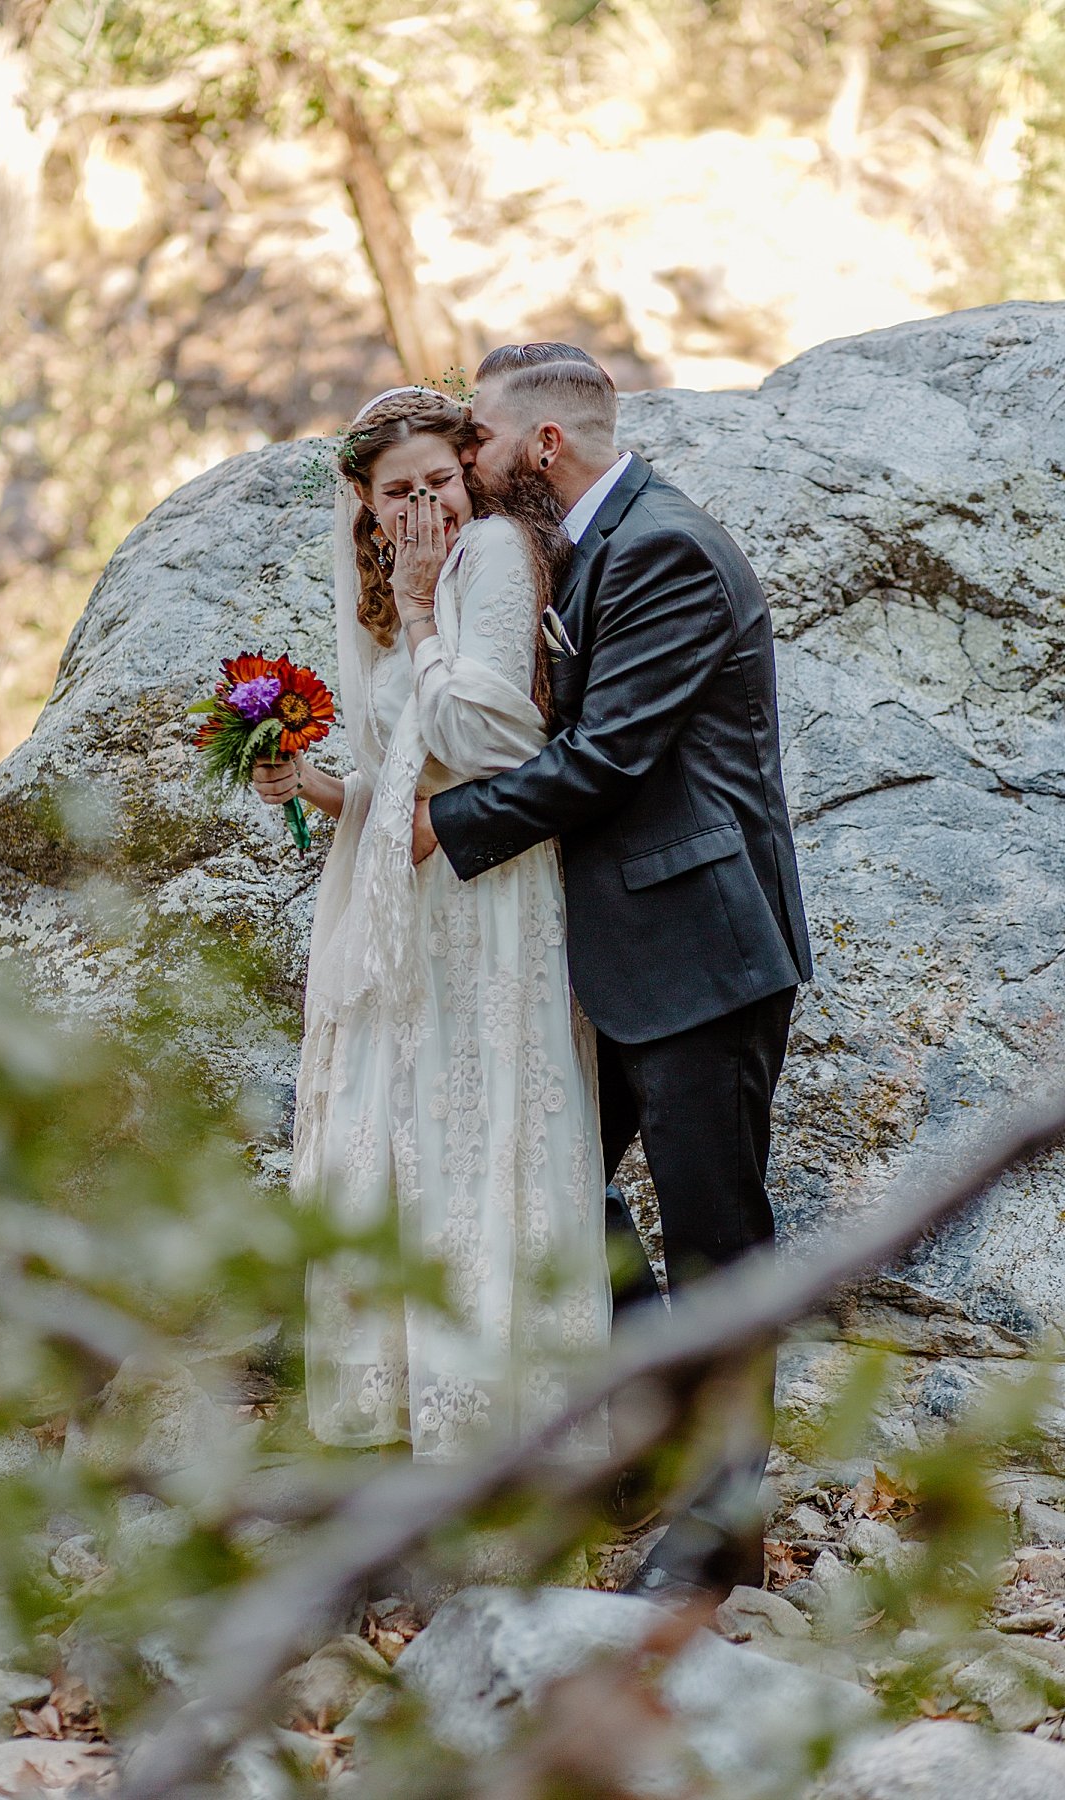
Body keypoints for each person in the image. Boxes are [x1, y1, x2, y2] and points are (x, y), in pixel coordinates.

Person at [413, 344, 812, 1598]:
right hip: (617, 955)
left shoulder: (663, 549)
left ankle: (720, 1544)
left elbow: (606, 760)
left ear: (542, 447)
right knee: (540, 1186)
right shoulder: (587, 549)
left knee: (717, 1253)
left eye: (475, 441)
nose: (466, 467)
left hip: (699, 954)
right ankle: (653, 1440)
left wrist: (450, 825)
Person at [252, 385, 611, 1465]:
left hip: (489, 894)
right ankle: (409, 1417)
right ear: (364, 504)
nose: (425, 509)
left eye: (440, 483)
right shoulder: (384, 589)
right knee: (403, 1128)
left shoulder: (492, 557)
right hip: (398, 897)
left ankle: (512, 1431)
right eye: (397, 493)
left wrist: (419, 608)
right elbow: (391, 774)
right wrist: (309, 782)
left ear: (471, 474)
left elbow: (495, 733)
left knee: (486, 1119)